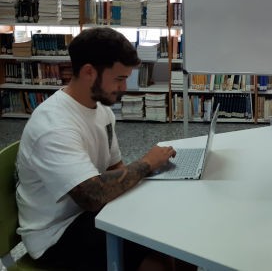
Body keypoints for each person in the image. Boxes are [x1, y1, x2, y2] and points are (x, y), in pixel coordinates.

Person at [15, 28, 186, 270]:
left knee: (173, 233)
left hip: (88, 215)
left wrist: (151, 186)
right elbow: (92, 196)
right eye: (119, 78)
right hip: (56, 237)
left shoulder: (100, 109)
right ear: (88, 72)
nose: (125, 87)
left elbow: (115, 168)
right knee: (160, 259)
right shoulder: (54, 126)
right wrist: (148, 164)